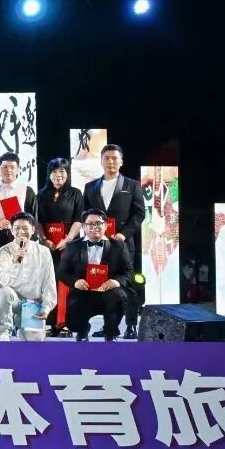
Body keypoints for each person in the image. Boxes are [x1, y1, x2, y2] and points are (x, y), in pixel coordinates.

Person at [82, 144, 145, 339]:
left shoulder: (132, 185)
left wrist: (124, 234)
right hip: (100, 243)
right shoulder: (90, 187)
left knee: (129, 284)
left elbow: (139, 214)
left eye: (114, 158)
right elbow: (84, 215)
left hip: (123, 242)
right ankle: (109, 325)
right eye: (107, 158)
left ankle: (131, 325)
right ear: (101, 161)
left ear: (121, 161)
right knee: (105, 284)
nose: (111, 161)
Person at [57, 209, 133, 342]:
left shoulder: (119, 246)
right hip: (83, 292)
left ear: (106, 225)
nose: (94, 227)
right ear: (83, 226)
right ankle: (83, 329)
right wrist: (75, 282)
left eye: (98, 223)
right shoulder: (72, 247)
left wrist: (116, 282)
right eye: (90, 224)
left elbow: (128, 270)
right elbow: (61, 273)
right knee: (73, 321)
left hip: (108, 291)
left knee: (119, 297)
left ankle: (110, 333)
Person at [0, 152, 39, 319]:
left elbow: (34, 218)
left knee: (23, 276)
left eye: (12, 167)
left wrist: (30, 242)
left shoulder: (27, 190)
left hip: (21, 240)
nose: (8, 170)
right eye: (4, 167)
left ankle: (23, 317)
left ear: (17, 170)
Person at [36, 157, 84, 331]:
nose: (58, 175)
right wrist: (43, 239)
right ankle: (49, 322)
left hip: (68, 244)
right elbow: (37, 220)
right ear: (49, 174)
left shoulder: (75, 193)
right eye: (54, 171)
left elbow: (79, 219)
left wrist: (68, 239)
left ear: (67, 173)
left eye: (62, 171)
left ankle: (65, 323)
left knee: (66, 282)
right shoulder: (41, 194)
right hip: (47, 245)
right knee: (48, 281)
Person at [0, 212, 57, 341]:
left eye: (25, 228)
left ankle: (21, 324)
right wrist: (15, 262)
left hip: (33, 303)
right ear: (11, 230)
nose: (21, 232)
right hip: (14, 300)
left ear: (33, 229)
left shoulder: (43, 252)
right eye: (17, 228)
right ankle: (3, 331)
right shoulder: (3, 252)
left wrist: (46, 308)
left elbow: (49, 282)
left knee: (35, 342)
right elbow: (2, 281)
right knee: (4, 292)